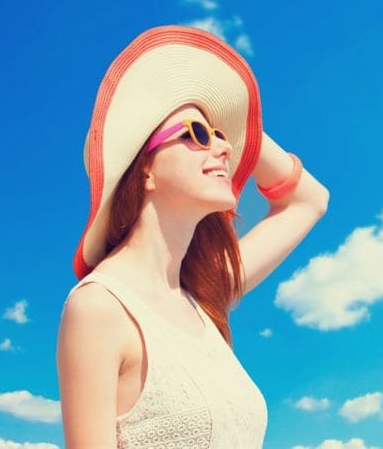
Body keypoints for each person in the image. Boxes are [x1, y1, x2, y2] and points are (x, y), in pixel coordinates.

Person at [56, 25, 329, 448]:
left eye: (222, 139)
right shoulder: (99, 308)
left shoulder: (202, 297)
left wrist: (238, 126)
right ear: (144, 168)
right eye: (197, 136)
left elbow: (310, 199)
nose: (222, 149)